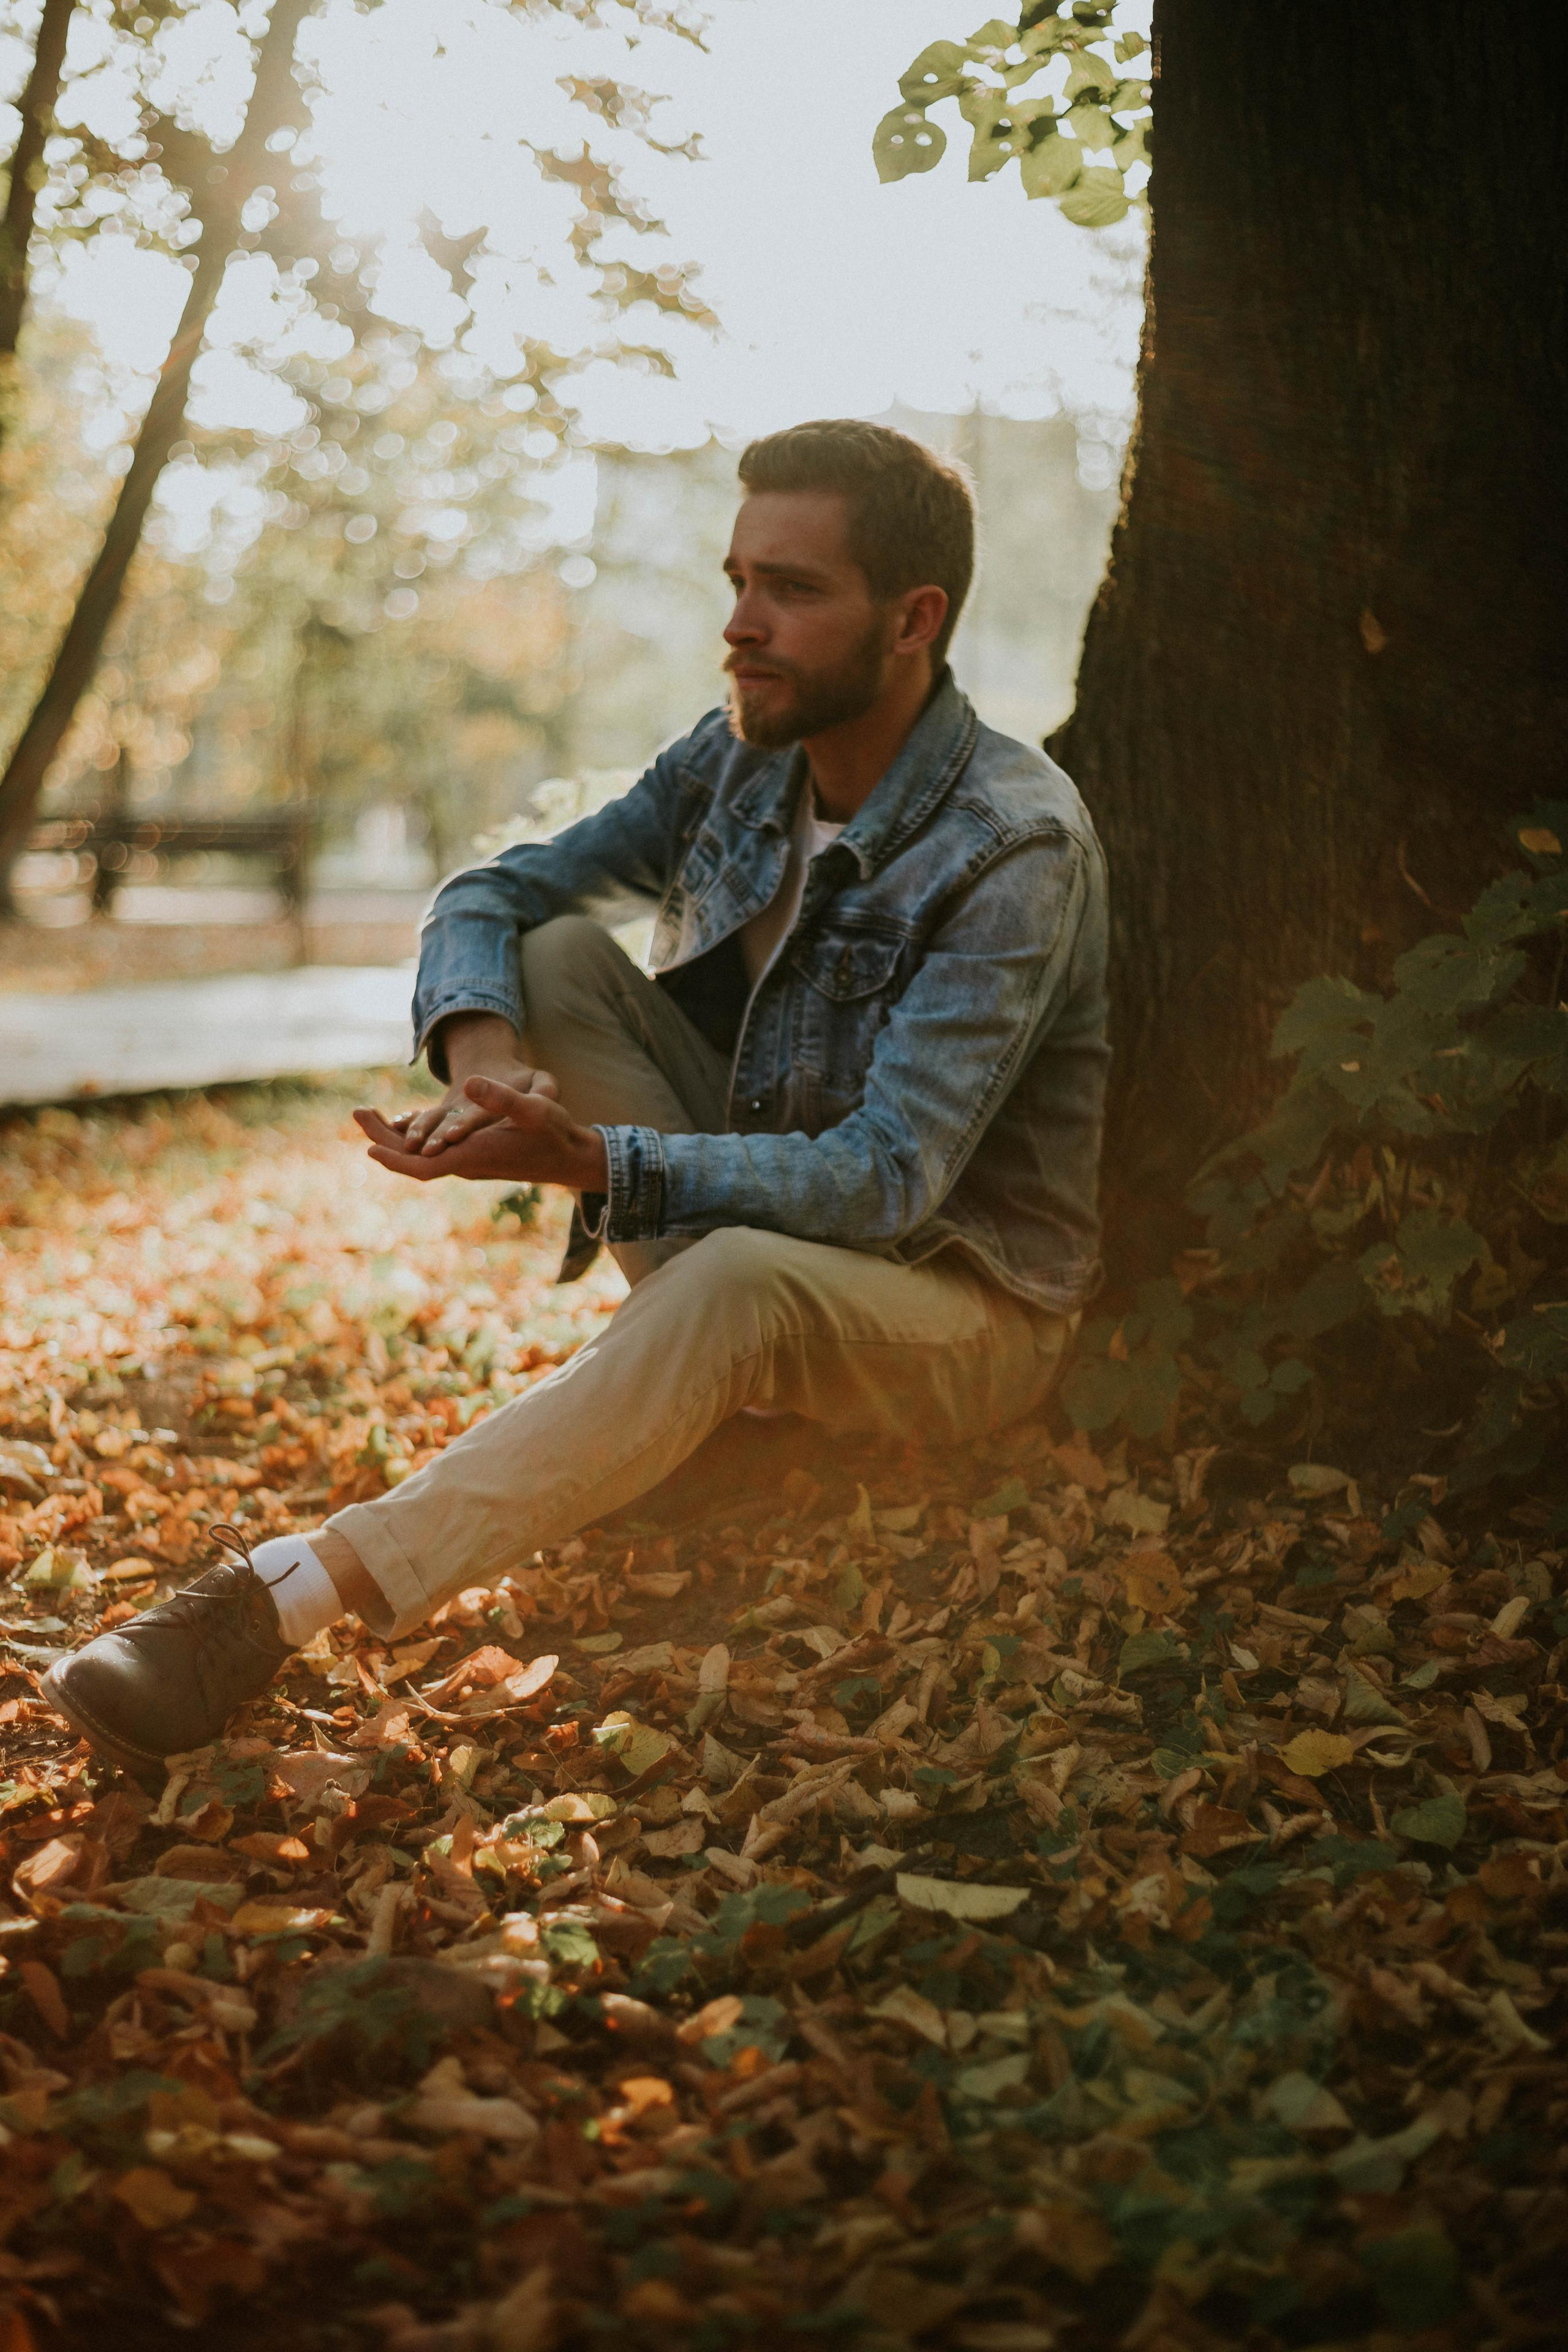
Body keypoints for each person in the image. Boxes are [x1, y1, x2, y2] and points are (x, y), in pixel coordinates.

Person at [44, 417, 1110, 1781]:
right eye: (736, 581)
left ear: (913, 619)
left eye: (790, 590)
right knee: (549, 956)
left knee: (733, 1282)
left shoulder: (1010, 841)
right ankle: (704, 1406)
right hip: (753, 1238)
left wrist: (602, 1161)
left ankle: (282, 1596)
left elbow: (887, 1178)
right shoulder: (739, 757)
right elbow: (495, 891)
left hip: (961, 1306)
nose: (741, 625)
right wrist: (489, 1075)